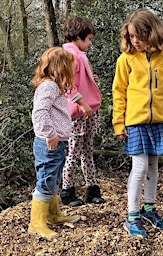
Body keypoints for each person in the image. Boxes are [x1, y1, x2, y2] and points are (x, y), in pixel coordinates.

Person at [112, 9, 163, 239]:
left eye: (139, 35)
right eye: (131, 36)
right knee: (139, 167)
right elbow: (119, 92)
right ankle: (132, 216)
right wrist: (118, 123)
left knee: (153, 166)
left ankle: (148, 208)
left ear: (152, 32)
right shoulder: (126, 60)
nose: (135, 41)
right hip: (136, 122)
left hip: (160, 121)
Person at [29, 47, 81, 240]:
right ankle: (37, 223)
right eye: (70, 67)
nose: (72, 71)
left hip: (56, 142)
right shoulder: (49, 86)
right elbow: (40, 112)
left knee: (53, 179)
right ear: (60, 68)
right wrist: (50, 134)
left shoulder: (54, 87)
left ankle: (53, 215)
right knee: (46, 179)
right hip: (48, 142)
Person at [60, 16, 104, 207]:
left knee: (87, 152)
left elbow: (81, 82)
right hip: (78, 114)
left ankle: (92, 189)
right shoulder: (70, 57)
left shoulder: (80, 56)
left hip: (88, 112)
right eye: (89, 39)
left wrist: (91, 79)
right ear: (78, 37)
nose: (90, 43)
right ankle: (67, 191)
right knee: (73, 153)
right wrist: (83, 104)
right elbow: (69, 86)